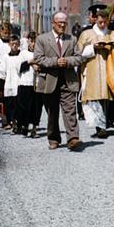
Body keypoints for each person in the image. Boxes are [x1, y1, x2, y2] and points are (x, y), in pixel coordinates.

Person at [33, 12, 83, 151]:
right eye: (59, 22)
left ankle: (73, 138)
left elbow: (79, 57)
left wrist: (66, 61)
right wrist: (55, 62)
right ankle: (54, 138)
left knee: (70, 110)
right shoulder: (42, 39)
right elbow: (38, 58)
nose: (62, 25)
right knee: (52, 112)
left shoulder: (72, 39)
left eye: (64, 23)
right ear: (53, 23)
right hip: (49, 81)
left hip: (68, 81)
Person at [76, 9, 114, 139]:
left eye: (104, 22)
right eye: (100, 22)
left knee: (106, 97)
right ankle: (99, 126)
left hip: (108, 68)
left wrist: (108, 46)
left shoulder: (112, 33)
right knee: (94, 97)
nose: (102, 25)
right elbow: (78, 52)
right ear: (95, 20)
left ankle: (105, 122)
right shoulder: (87, 34)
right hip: (91, 69)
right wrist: (93, 47)